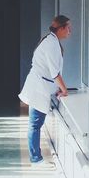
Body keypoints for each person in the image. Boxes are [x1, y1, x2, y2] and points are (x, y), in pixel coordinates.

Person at [19, 15, 71, 167]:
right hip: (38, 88)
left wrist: (59, 88)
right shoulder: (51, 44)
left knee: (35, 124)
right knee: (35, 124)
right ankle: (35, 159)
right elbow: (55, 73)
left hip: (40, 86)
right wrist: (64, 90)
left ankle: (36, 157)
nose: (70, 31)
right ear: (60, 28)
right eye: (68, 28)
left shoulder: (51, 41)